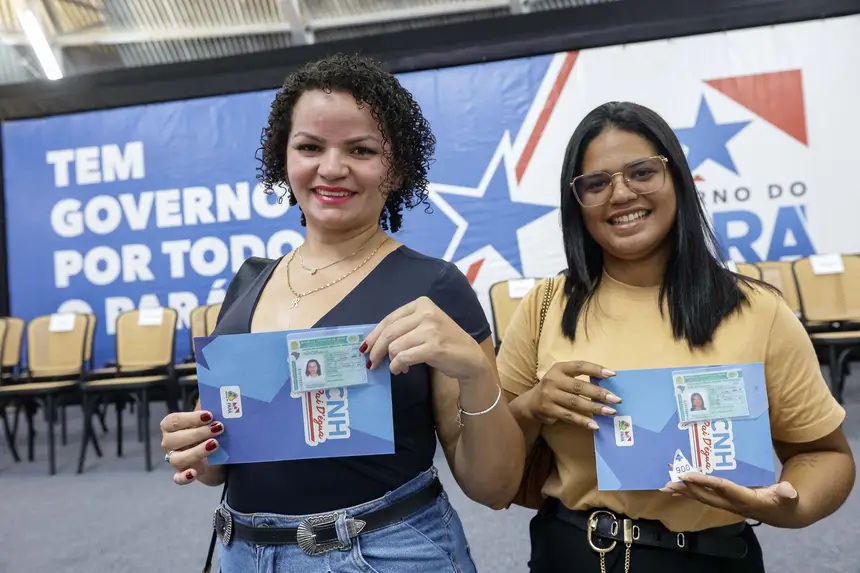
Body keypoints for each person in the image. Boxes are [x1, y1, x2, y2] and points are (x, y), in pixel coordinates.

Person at [159, 54, 525, 573]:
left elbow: (495, 487)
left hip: (382, 555)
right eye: (310, 147)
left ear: (397, 169)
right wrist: (195, 445)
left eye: (361, 150)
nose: (331, 168)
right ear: (284, 158)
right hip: (242, 554)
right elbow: (220, 463)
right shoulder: (248, 283)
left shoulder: (434, 287)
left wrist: (476, 373)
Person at [498, 101, 855, 573]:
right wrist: (533, 405)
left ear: (678, 179)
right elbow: (490, 465)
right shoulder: (545, 307)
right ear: (576, 202)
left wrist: (786, 505)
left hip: (716, 557)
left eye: (642, 172)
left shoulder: (756, 309)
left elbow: (823, 453)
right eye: (596, 183)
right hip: (579, 553)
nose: (621, 194)